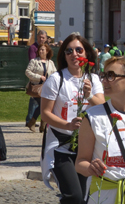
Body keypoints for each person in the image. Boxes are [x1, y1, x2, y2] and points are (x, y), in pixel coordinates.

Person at [75, 56, 125, 204]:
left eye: (111, 76)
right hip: (104, 196)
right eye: (104, 75)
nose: (104, 81)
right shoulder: (93, 117)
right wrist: (90, 168)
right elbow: (80, 163)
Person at [41, 33, 105, 204]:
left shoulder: (93, 79)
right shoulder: (56, 79)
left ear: (87, 54)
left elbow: (102, 106)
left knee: (85, 196)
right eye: (69, 51)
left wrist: (89, 95)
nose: (74, 54)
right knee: (74, 197)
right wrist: (68, 125)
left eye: (79, 50)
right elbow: (45, 113)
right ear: (64, 55)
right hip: (60, 146)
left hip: (85, 146)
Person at [26, 42, 55, 131]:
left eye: (43, 50)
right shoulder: (34, 61)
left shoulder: (50, 62)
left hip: (48, 87)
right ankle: (38, 123)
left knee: (43, 105)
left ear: (47, 51)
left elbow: (55, 73)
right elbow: (27, 72)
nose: (41, 51)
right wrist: (39, 77)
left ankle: (38, 123)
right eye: (40, 50)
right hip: (37, 86)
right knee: (43, 105)